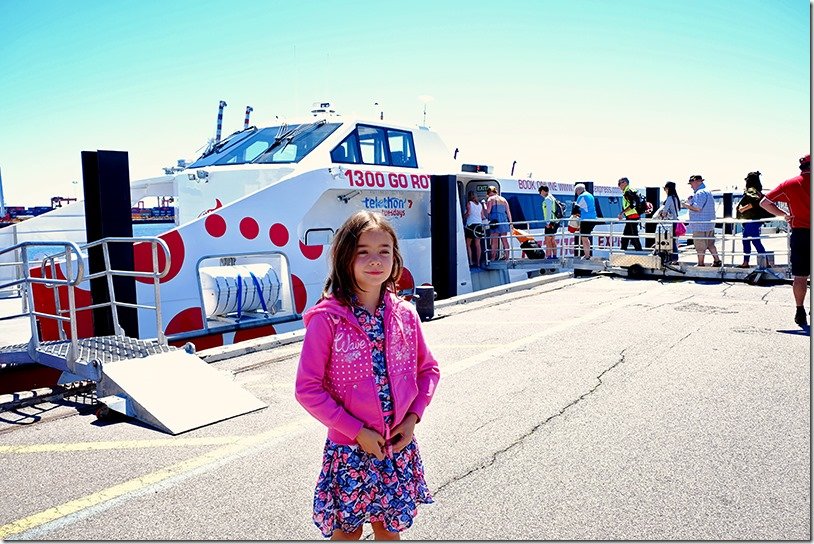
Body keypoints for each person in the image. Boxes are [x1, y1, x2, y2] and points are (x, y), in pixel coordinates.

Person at [295, 211, 440, 539]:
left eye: (384, 251)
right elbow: (307, 389)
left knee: (389, 532)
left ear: (395, 257)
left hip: (395, 445)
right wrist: (356, 431)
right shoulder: (327, 320)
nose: (375, 260)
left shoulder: (405, 314)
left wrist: (412, 418)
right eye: (363, 251)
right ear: (345, 256)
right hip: (349, 450)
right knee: (348, 534)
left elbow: (428, 370)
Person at [760, 154, 811, 328]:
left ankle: (800, 310)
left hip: (800, 233)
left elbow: (764, 202)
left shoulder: (789, 184)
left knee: (800, 276)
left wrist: (784, 216)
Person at [683, 175, 721, 267]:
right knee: (710, 244)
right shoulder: (707, 192)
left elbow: (697, 208)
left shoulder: (699, 193)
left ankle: (700, 264)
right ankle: (717, 260)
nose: (691, 186)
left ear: (696, 181)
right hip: (709, 224)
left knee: (700, 246)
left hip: (700, 225)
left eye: (691, 183)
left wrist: (685, 205)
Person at [735, 171, 770, 268]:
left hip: (752, 220)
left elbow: (754, 202)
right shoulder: (757, 191)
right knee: (752, 240)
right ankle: (762, 261)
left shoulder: (751, 190)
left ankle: (756, 262)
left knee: (750, 240)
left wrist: (742, 209)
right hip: (753, 220)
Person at [654, 181, 681, 263]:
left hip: (670, 223)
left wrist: (659, 215)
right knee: (673, 240)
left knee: (670, 240)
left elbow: (665, 211)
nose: (664, 190)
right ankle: (674, 258)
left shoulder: (669, 198)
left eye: (665, 189)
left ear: (668, 188)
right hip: (675, 221)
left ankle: (674, 258)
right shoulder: (675, 198)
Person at [485, 185, 513, 261]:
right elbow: (508, 212)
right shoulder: (503, 199)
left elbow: (488, 211)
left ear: (489, 192)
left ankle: (493, 257)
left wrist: (484, 205)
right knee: (504, 240)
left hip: (495, 221)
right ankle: (507, 257)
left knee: (494, 240)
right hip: (504, 221)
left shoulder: (490, 199)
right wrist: (511, 223)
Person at [616, 177, 643, 252]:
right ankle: (623, 249)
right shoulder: (631, 190)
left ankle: (639, 250)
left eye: (619, 183)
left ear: (624, 183)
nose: (619, 186)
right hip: (633, 216)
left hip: (632, 216)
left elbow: (632, 205)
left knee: (633, 236)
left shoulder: (628, 191)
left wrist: (622, 213)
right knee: (626, 235)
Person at [574, 183, 597, 259]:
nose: (576, 193)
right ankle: (588, 254)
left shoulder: (581, 196)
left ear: (578, 190)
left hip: (586, 219)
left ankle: (586, 255)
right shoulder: (590, 195)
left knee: (584, 238)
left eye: (576, 191)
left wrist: (575, 215)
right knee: (586, 237)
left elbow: (575, 209)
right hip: (593, 218)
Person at [463, 190, 486, 267]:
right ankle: (478, 263)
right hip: (479, 225)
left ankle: (471, 262)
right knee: (477, 245)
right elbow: (482, 216)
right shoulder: (480, 205)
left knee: (468, 244)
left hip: (471, 225)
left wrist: (463, 216)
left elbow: (468, 213)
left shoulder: (469, 203)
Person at [538, 185, 558, 259]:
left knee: (548, 240)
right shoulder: (552, 198)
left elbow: (548, 212)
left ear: (543, 191)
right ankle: (555, 255)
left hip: (551, 223)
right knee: (552, 240)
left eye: (540, 192)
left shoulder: (547, 199)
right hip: (555, 222)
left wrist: (548, 223)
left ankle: (549, 256)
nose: (540, 194)